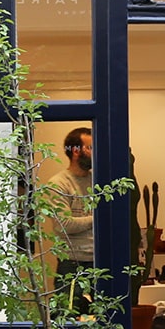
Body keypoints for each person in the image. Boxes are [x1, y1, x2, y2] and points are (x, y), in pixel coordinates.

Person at [43, 127, 95, 311]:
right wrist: (98, 218)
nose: (96, 152)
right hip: (72, 264)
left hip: (100, 262)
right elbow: (64, 224)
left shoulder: (98, 180)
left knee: (104, 318)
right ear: (76, 151)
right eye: (90, 147)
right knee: (67, 317)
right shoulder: (58, 184)